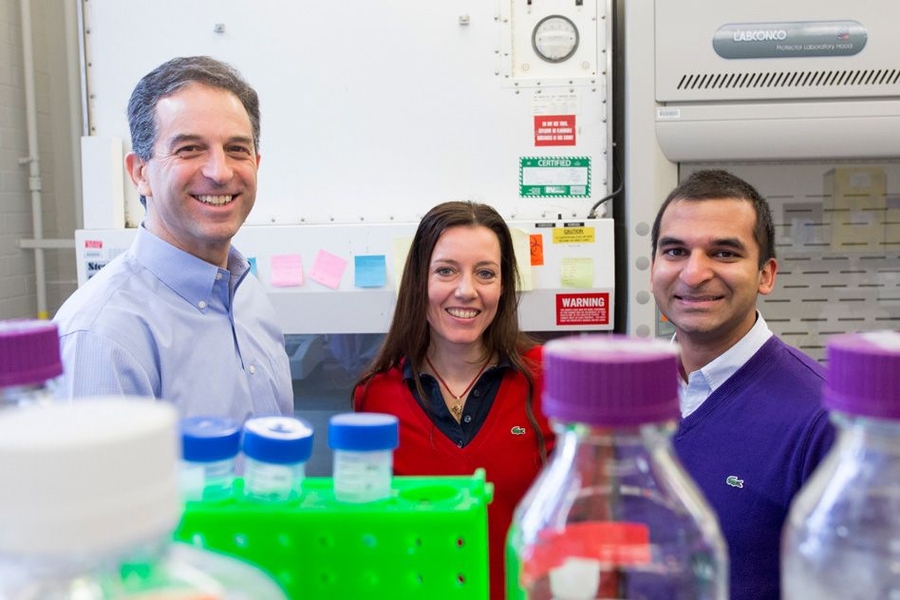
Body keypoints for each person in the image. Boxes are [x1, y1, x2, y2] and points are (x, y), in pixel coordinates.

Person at [53, 56, 293, 423]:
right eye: (189, 149)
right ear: (140, 173)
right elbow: (97, 482)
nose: (220, 171)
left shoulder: (249, 298)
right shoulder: (100, 336)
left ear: (256, 164)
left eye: (237, 149)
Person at [352, 201, 555, 599]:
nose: (466, 290)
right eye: (446, 270)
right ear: (418, 281)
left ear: (503, 285)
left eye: (485, 273)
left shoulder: (549, 380)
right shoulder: (376, 396)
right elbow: (372, 534)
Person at [650, 169, 836, 600]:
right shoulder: (628, 397)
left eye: (725, 253)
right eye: (675, 250)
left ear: (766, 275)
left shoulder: (823, 417)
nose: (694, 274)